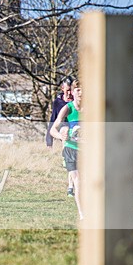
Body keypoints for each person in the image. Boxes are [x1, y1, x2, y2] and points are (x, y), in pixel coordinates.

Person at [49, 81, 83, 221]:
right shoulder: (67, 109)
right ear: (73, 92)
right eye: (78, 90)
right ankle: (83, 214)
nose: (81, 93)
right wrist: (60, 136)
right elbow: (53, 129)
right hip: (70, 149)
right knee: (78, 180)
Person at [46, 76, 74, 196]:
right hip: (64, 131)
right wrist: (49, 139)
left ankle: (71, 187)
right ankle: (71, 187)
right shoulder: (58, 102)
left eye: (71, 90)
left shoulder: (78, 101)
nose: (69, 93)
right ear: (62, 88)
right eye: (67, 90)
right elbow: (53, 120)